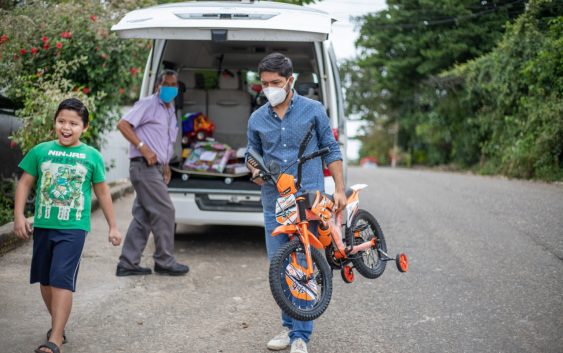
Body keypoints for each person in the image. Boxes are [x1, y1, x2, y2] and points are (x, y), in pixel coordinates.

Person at [246, 53, 346, 353]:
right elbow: (252, 152)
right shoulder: (257, 118)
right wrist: (254, 170)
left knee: (303, 263)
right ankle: (289, 328)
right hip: (275, 201)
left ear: (291, 80)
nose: (269, 88)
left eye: (275, 83)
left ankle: (301, 334)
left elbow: (331, 149)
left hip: (310, 199)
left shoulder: (313, 110)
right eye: (264, 84)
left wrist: (339, 189)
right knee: (280, 267)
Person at [13, 98, 122, 353]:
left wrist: (113, 226)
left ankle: (56, 338)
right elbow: (25, 183)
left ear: (84, 127)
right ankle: (57, 324)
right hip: (43, 225)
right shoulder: (41, 151)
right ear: (55, 123)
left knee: (61, 278)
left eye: (73, 123)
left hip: (73, 228)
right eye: (62, 121)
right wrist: (19, 215)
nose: (66, 127)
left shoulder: (91, 156)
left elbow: (103, 193)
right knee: (45, 279)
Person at [115, 69, 189, 277]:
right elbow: (123, 124)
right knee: (165, 211)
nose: (170, 88)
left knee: (144, 216)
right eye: (167, 84)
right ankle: (164, 261)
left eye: (174, 85)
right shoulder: (148, 104)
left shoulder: (169, 109)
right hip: (143, 166)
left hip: (156, 168)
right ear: (158, 86)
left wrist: (165, 165)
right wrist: (143, 147)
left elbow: (164, 142)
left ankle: (127, 263)